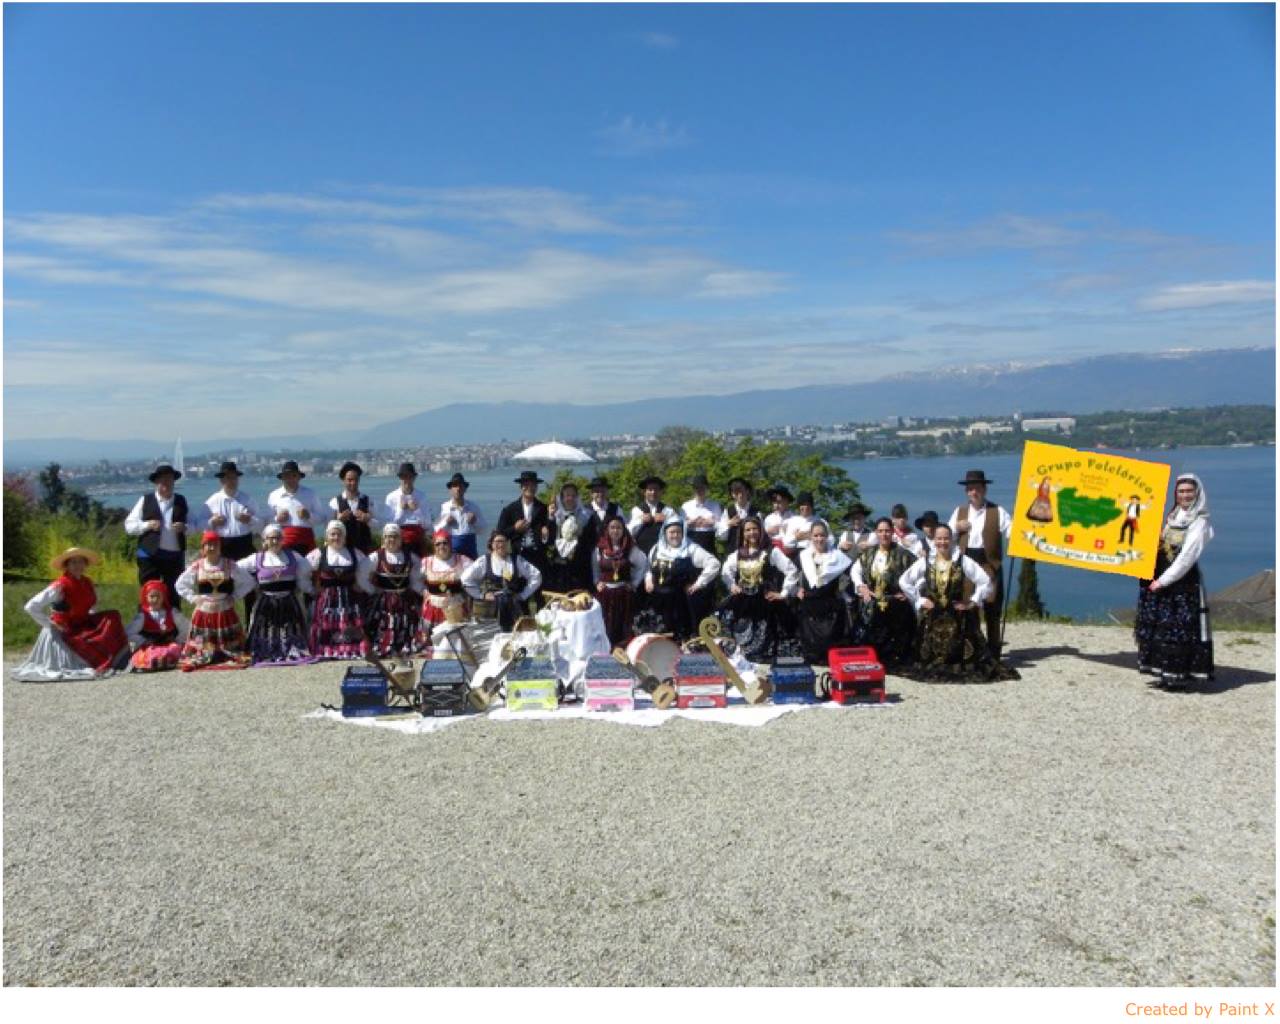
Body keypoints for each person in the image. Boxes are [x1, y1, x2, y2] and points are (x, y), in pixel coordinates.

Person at [900, 525, 1017, 682]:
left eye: (946, 538)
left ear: (952, 539)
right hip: (932, 617)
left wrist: (973, 601)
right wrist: (919, 599)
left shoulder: (962, 560)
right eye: (939, 538)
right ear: (934, 541)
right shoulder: (926, 562)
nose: (943, 542)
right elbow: (904, 581)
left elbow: (985, 582)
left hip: (957, 616)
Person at [1134, 473, 1215, 688]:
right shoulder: (1174, 515)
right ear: (1175, 494)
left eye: (1189, 491)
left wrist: (1163, 581)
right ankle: (1165, 673)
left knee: (1179, 629)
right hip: (1162, 577)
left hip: (1181, 582)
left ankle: (1178, 676)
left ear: (1197, 493)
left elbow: (1187, 557)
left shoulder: (1200, 522)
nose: (1185, 495)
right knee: (1162, 628)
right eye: (1181, 491)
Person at [15, 547, 130, 681]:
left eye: (80, 562)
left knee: (113, 616)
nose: (77, 566)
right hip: (65, 629)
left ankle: (117, 656)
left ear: (85, 565)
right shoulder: (60, 585)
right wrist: (49, 624)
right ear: (67, 566)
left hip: (82, 623)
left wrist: (92, 618)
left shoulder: (87, 582)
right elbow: (31, 606)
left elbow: (91, 605)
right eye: (73, 562)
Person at [717, 515, 800, 662]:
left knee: (766, 635)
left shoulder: (770, 552)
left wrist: (784, 593)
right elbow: (725, 572)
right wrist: (732, 585)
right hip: (742, 601)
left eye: (755, 529)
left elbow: (792, 570)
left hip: (765, 601)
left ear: (761, 531)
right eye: (747, 530)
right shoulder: (738, 554)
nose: (751, 532)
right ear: (743, 533)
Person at [948, 469, 1012, 659]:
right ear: (966, 491)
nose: (973, 492)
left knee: (992, 608)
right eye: (970, 489)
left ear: (984, 489)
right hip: (967, 563)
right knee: (969, 608)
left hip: (989, 563)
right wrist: (956, 528)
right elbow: (944, 536)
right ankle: (973, 650)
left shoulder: (997, 511)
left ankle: (993, 652)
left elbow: (1012, 532)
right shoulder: (959, 512)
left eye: (976, 488)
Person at [175, 532, 255, 671]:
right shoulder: (197, 566)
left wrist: (234, 596)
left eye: (214, 545)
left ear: (220, 547)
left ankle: (226, 652)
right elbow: (180, 584)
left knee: (232, 647)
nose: (211, 548)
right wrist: (193, 598)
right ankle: (205, 652)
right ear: (203, 548)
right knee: (202, 646)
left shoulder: (229, 565)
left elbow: (249, 582)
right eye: (208, 545)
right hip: (204, 612)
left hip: (225, 611)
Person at [238, 522, 315, 666]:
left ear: (282, 539)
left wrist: (311, 590)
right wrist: (252, 583)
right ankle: (265, 651)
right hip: (266, 602)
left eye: (278, 538)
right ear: (265, 541)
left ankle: (291, 649)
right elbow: (236, 569)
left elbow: (307, 570)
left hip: (289, 601)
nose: (274, 541)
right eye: (271, 538)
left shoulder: (294, 556)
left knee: (292, 629)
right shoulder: (257, 558)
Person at [851, 517, 920, 668]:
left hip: (895, 604)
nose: (884, 534)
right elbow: (855, 570)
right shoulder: (869, 553)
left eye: (887, 531)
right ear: (876, 533)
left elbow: (920, 574)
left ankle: (894, 659)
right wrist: (861, 586)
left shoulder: (904, 554)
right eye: (880, 531)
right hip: (872, 602)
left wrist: (909, 593)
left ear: (892, 532)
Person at [199, 461, 262, 623]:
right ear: (222, 480)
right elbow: (198, 524)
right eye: (228, 478)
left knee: (250, 587)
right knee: (223, 589)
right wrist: (212, 522)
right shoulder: (212, 501)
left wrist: (250, 520)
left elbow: (261, 523)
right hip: (223, 546)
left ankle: (251, 626)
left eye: (234, 478)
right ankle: (224, 626)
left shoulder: (247, 499)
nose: (231, 481)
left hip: (245, 545)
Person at [642, 514, 720, 642]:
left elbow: (714, 564)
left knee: (680, 637)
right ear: (665, 533)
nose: (675, 535)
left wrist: (699, 583)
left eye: (678, 532)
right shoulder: (656, 548)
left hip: (679, 603)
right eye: (671, 532)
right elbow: (649, 568)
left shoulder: (690, 549)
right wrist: (648, 579)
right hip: (657, 601)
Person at [306, 520, 374, 660]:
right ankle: (326, 649)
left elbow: (367, 570)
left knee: (351, 624)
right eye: (333, 534)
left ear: (345, 536)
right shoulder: (318, 553)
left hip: (349, 597)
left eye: (339, 534)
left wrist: (361, 586)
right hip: (327, 598)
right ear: (327, 536)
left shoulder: (355, 553)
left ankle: (351, 649)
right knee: (325, 624)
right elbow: (303, 571)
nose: (336, 537)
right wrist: (311, 589)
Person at [124, 463, 189, 605]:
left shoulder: (181, 501)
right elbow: (129, 526)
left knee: (173, 594)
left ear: (173, 481)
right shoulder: (145, 500)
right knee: (149, 592)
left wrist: (185, 527)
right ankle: (146, 624)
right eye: (162, 480)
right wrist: (147, 525)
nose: (166, 483)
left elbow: (194, 523)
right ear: (156, 482)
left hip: (174, 556)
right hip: (149, 555)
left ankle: (172, 625)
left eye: (169, 479)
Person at [794, 520, 853, 664]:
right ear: (811, 537)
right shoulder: (804, 556)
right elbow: (791, 574)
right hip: (809, 606)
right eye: (815, 535)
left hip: (830, 606)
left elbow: (853, 576)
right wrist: (797, 588)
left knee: (830, 647)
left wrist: (845, 590)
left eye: (822, 535)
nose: (819, 539)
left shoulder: (838, 557)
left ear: (827, 536)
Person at [461, 531, 543, 633]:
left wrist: (523, 595)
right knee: (491, 638)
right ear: (491, 544)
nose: (500, 545)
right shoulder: (484, 561)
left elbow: (536, 576)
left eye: (503, 541)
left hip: (513, 609)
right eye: (497, 542)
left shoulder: (516, 560)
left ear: (508, 543)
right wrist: (481, 595)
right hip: (491, 610)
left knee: (514, 636)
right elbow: (465, 579)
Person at [364, 523, 425, 657]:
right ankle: (383, 645)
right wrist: (372, 590)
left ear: (401, 539)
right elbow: (362, 575)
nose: (391, 540)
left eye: (395, 537)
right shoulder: (376, 556)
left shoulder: (411, 557)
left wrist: (423, 592)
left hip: (405, 598)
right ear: (383, 539)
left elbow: (416, 579)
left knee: (407, 622)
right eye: (388, 537)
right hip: (383, 599)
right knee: (382, 623)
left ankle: (404, 645)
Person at [592, 514, 647, 646]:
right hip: (605, 593)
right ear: (607, 530)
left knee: (623, 623)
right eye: (612, 527)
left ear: (623, 530)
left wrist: (634, 583)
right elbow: (595, 568)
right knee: (605, 623)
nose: (615, 531)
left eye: (618, 528)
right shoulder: (600, 549)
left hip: (624, 593)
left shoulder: (630, 548)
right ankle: (605, 648)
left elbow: (643, 564)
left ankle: (623, 649)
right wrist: (597, 582)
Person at [417, 529, 474, 648]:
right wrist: (425, 592)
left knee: (457, 642)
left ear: (450, 544)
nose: (441, 546)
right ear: (434, 546)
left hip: (455, 608)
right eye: (438, 544)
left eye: (445, 543)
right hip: (433, 608)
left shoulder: (462, 560)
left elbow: (475, 577)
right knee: (432, 642)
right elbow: (415, 580)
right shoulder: (426, 562)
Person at [496, 470, 552, 591]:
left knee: (539, 594)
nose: (530, 488)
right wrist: (515, 529)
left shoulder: (543, 508)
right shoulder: (510, 509)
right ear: (521, 487)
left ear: (536, 487)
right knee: (519, 592)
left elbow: (550, 534)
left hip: (538, 556)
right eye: (526, 485)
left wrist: (545, 532)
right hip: (518, 556)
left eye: (533, 485)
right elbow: (500, 533)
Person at [125, 579, 191, 673]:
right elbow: (129, 632)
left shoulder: (172, 613)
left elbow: (186, 628)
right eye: (152, 596)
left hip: (168, 646)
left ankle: (164, 661)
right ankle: (158, 661)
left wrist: (178, 641)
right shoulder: (143, 616)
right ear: (146, 597)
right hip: (151, 647)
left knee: (174, 650)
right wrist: (144, 641)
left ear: (163, 597)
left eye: (158, 596)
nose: (155, 600)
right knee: (148, 654)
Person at [267, 460, 326, 556]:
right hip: (283, 541)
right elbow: (267, 521)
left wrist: (308, 516)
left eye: (294, 475)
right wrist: (277, 518)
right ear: (282, 478)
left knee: (309, 568)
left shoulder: (310, 494)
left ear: (299, 477)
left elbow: (321, 518)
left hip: (306, 540)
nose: (290, 479)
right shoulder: (274, 495)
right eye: (287, 476)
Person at [546, 481, 594, 593]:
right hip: (560, 566)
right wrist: (551, 519)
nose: (570, 498)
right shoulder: (555, 516)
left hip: (580, 565)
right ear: (562, 498)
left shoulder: (586, 515)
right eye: (567, 495)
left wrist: (580, 536)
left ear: (577, 498)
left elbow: (591, 540)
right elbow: (549, 539)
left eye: (573, 495)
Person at [329, 461, 378, 555]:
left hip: (364, 549)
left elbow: (379, 525)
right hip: (343, 551)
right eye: (350, 480)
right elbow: (328, 528)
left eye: (356, 479)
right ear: (343, 480)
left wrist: (368, 520)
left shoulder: (368, 501)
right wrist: (338, 521)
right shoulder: (335, 502)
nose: (353, 483)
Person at [435, 472, 485, 559]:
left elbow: (483, 530)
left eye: (460, 486)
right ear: (450, 489)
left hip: (470, 553)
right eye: (455, 486)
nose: (458, 489)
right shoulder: (444, 508)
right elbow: (435, 531)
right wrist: (445, 523)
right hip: (451, 554)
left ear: (465, 489)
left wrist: (475, 521)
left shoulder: (473, 507)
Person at [384, 462, 430, 557]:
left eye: (410, 477)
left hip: (417, 539)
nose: (407, 480)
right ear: (400, 478)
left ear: (414, 478)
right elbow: (388, 524)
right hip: (398, 538)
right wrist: (400, 510)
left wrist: (416, 511)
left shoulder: (422, 496)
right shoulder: (391, 497)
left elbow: (427, 524)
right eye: (404, 477)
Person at [716, 477, 760, 555]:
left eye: (741, 491)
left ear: (747, 491)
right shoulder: (728, 512)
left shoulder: (756, 512)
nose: (740, 495)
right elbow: (720, 537)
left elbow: (762, 535)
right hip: (732, 554)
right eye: (736, 493)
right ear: (732, 495)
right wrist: (728, 524)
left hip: (753, 554)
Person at [681, 473, 722, 555]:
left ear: (707, 488)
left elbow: (721, 528)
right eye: (697, 488)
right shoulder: (685, 506)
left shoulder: (715, 505)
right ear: (693, 489)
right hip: (691, 543)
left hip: (709, 543)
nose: (699, 490)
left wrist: (712, 523)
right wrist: (689, 523)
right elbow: (679, 527)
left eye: (702, 488)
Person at [628, 475, 669, 555]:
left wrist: (666, 520)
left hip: (663, 552)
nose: (653, 492)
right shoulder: (636, 510)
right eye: (650, 490)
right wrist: (640, 521)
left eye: (656, 489)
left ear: (661, 492)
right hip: (641, 551)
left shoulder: (668, 510)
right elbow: (629, 531)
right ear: (644, 492)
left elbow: (678, 529)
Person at [782, 491, 819, 562]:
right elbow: (786, 543)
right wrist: (796, 537)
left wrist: (814, 537)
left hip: (816, 553)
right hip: (797, 554)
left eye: (808, 504)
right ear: (799, 506)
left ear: (812, 506)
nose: (806, 507)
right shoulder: (793, 521)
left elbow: (831, 540)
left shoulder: (820, 521)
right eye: (803, 504)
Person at [763, 485, 794, 553]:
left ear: (786, 502)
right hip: (772, 548)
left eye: (779, 502)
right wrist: (768, 531)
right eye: (774, 502)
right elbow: (762, 536)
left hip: (790, 549)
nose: (776, 505)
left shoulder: (794, 518)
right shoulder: (768, 518)